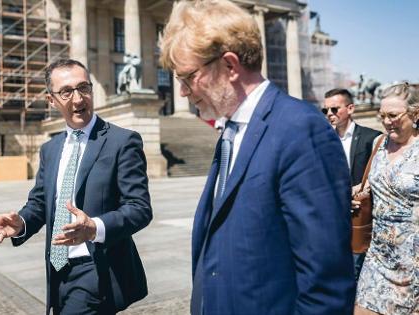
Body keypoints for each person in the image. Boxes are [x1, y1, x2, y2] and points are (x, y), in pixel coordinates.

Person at [159, 1, 355, 314]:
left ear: (230, 66)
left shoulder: (300, 129)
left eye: (188, 77)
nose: (181, 92)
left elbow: (325, 282)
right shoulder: (231, 131)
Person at [0, 59, 152, 315]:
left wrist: (95, 228)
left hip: (96, 268)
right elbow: (40, 202)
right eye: (66, 92)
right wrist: (22, 223)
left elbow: (139, 208)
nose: (78, 99)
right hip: (57, 270)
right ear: (51, 100)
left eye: (84, 88)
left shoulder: (122, 141)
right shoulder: (50, 149)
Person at [354, 82, 419, 315]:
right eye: (381, 115)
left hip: (414, 266)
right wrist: (354, 194)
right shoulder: (379, 144)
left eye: (393, 115)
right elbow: (371, 185)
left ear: (415, 113)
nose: (386, 121)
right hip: (377, 258)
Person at [323, 88, 381, 279]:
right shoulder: (322, 141)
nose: (329, 114)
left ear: (350, 108)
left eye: (334, 109)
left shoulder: (371, 138)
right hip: (332, 218)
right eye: (326, 111)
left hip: (360, 217)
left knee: (357, 270)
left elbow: (378, 176)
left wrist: (359, 194)